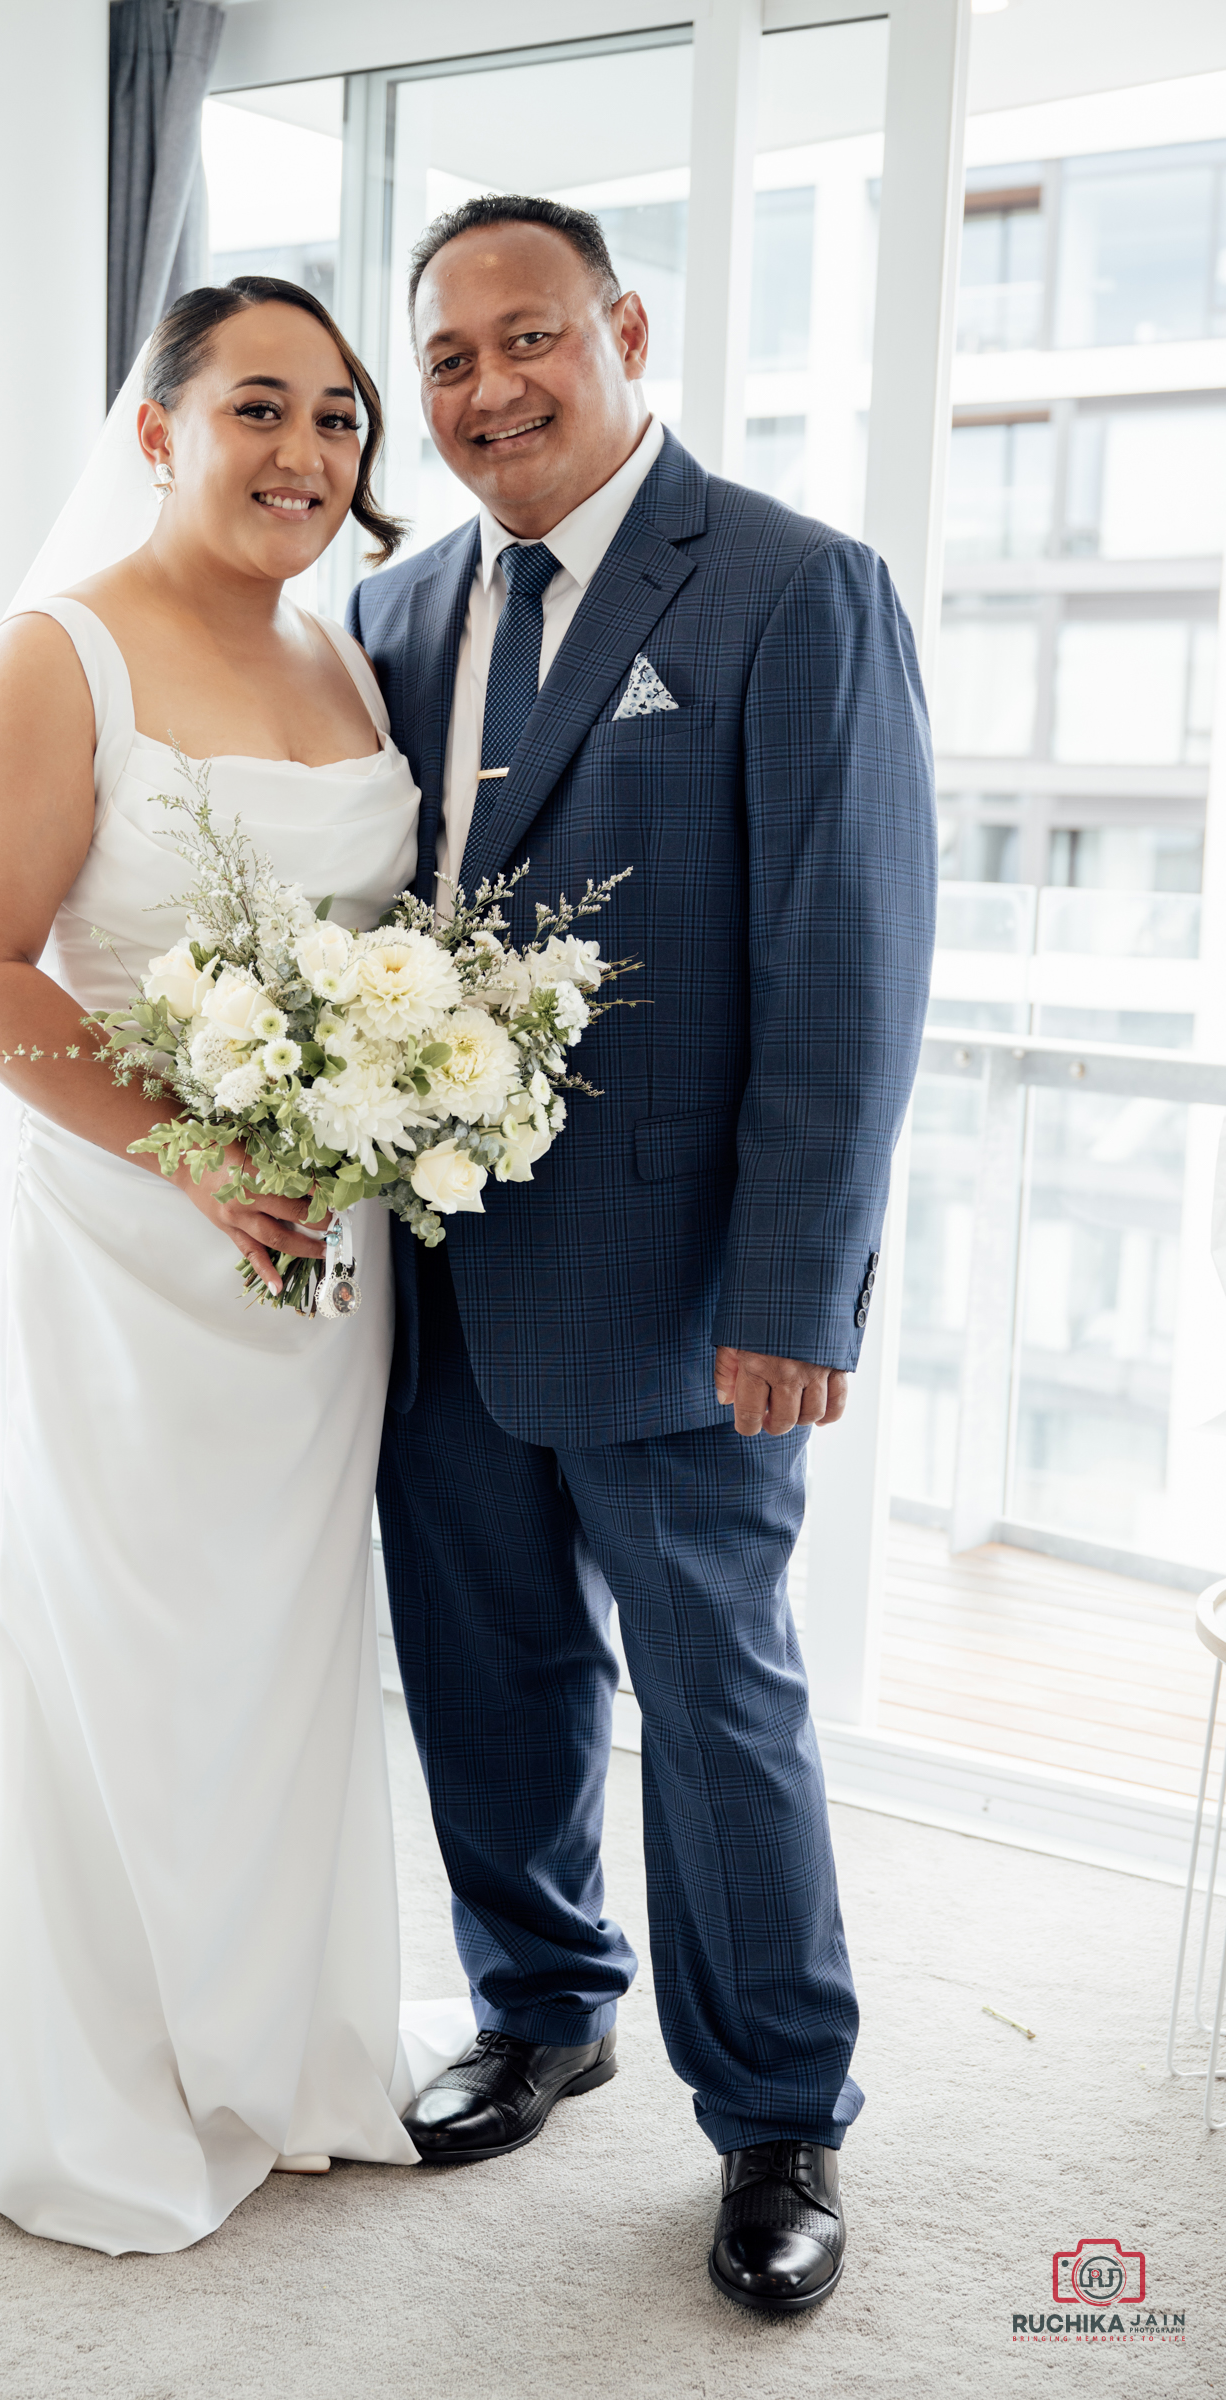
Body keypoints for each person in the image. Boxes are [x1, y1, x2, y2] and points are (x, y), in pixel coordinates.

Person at [0, 277, 470, 2255]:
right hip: (127, 1242)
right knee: (120, 1640)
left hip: (315, 1261)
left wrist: (360, 1110)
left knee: (282, 1644)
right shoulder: (61, 654)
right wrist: (204, 1153)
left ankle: (274, 2033)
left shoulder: (348, 659)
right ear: (156, 429)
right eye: (257, 407)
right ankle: (96, 2065)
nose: (304, 450)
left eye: (338, 417)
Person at [348, 196, 937, 2315]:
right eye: (446, 359)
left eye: (528, 339)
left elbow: (847, 967)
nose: (488, 388)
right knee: (483, 1672)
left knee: (715, 1707)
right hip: (431, 1279)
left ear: (624, 332)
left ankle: (778, 2115)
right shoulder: (393, 610)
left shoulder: (791, 585)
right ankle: (541, 2004)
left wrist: (798, 1290)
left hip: (685, 1292)